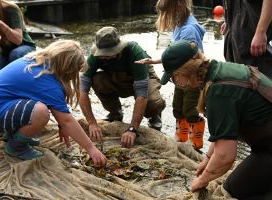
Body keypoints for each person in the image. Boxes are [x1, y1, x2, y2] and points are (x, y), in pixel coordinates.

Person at [160, 40, 272, 199]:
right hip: (264, 145)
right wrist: (206, 159)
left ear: (180, 74)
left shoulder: (218, 91)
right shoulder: (216, 70)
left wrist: (202, 180)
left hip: (267, 150)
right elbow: (223, 134)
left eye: (173, 79)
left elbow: (226, 156)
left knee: (232, 192)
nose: (176, 84)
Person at [0, 40, 107, 166]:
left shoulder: (36, 61)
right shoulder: (46, 80)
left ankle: (14, 135)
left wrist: (62, 126)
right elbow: (66, 120)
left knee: (36, 106)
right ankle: (16, 147)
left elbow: (58, 110)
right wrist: (91, 149)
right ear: (67, 68)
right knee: (40, 112)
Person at [79, 26, 165, 148]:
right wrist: (92, 123)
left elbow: (142, 94)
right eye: (102, 54)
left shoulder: (135, 52)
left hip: (142, 77)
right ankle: (115, 112)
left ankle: (154, 116)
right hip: (116, 77)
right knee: (97, 80)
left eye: (108, 54)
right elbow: (82, 91)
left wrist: (132, 128)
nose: (104, 57)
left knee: (152, 102)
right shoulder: (94, 57)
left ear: (118, 49)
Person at [149, 0, 206, 150]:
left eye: (166, 13)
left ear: (178, 8)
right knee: (177, 107)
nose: (164, 17)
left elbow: (194, 58)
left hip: (192, 78)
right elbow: (175, 53)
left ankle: (196, 143)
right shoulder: (179, 24)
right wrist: (157, 61)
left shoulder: (189, 30)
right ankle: (181, 137)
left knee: (190, 109)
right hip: (179, 76)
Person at [222, 0, 272, 78]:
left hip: (252, 34)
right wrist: (229, 20)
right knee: (235, 79)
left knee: (258, 81)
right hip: (233, 32)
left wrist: (261, 31)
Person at [0, 0, 36, 74]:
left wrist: (0, 24)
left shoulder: (11, 8)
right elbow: (0, 51)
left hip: (24, 45)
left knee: (15, 54)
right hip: (4, 51)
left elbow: (18, 40)